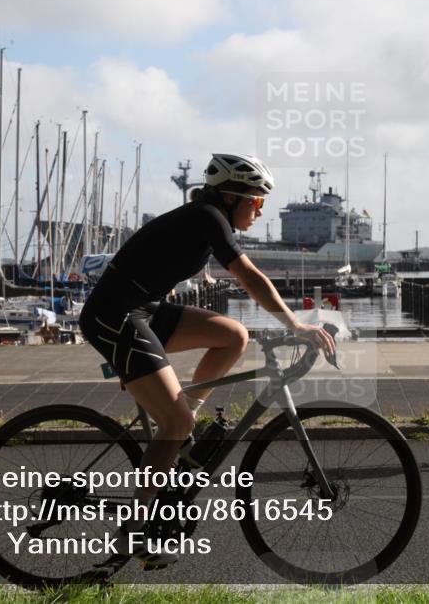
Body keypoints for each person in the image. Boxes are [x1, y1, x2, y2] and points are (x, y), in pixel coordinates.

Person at [79, 153, 336, 565]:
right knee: (176, 422)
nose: (260, 210)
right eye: (257, 200)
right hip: (114, 316)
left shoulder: (207, 217)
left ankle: (183, 428)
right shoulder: (208, 216)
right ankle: (133, 531)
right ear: (232, 197)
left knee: (233, 336)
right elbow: (250, 277)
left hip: (143, 310)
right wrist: (296, 325)